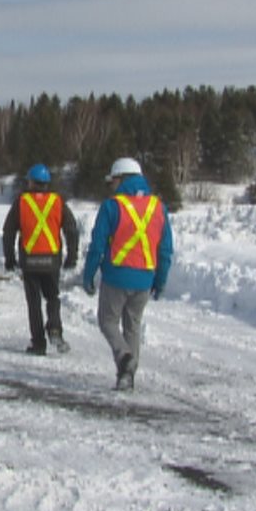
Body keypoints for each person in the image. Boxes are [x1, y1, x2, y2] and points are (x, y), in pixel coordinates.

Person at [82, 157, 174, 391]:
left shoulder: (112, 206)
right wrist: (160, 281)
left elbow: (98, 245)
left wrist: (89, 274)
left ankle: (124, 357)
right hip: (144, 279)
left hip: (116, 277)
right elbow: (165, 250)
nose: (111, 186)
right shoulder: (158, 207)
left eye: (113, 181)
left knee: (107, 322)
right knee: (133, 326)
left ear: (121, 179)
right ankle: (128, 376)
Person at [2, 163, 80, 356]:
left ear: (31, 182)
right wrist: (72, 256)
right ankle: (55, 328)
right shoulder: (57, 201)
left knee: (34, 302)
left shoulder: (21, 202)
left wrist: (10, 258)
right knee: (52, 297)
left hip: (29, 261)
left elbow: (9, 231)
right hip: (51, 260)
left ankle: (38, 343)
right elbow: (71, 229)